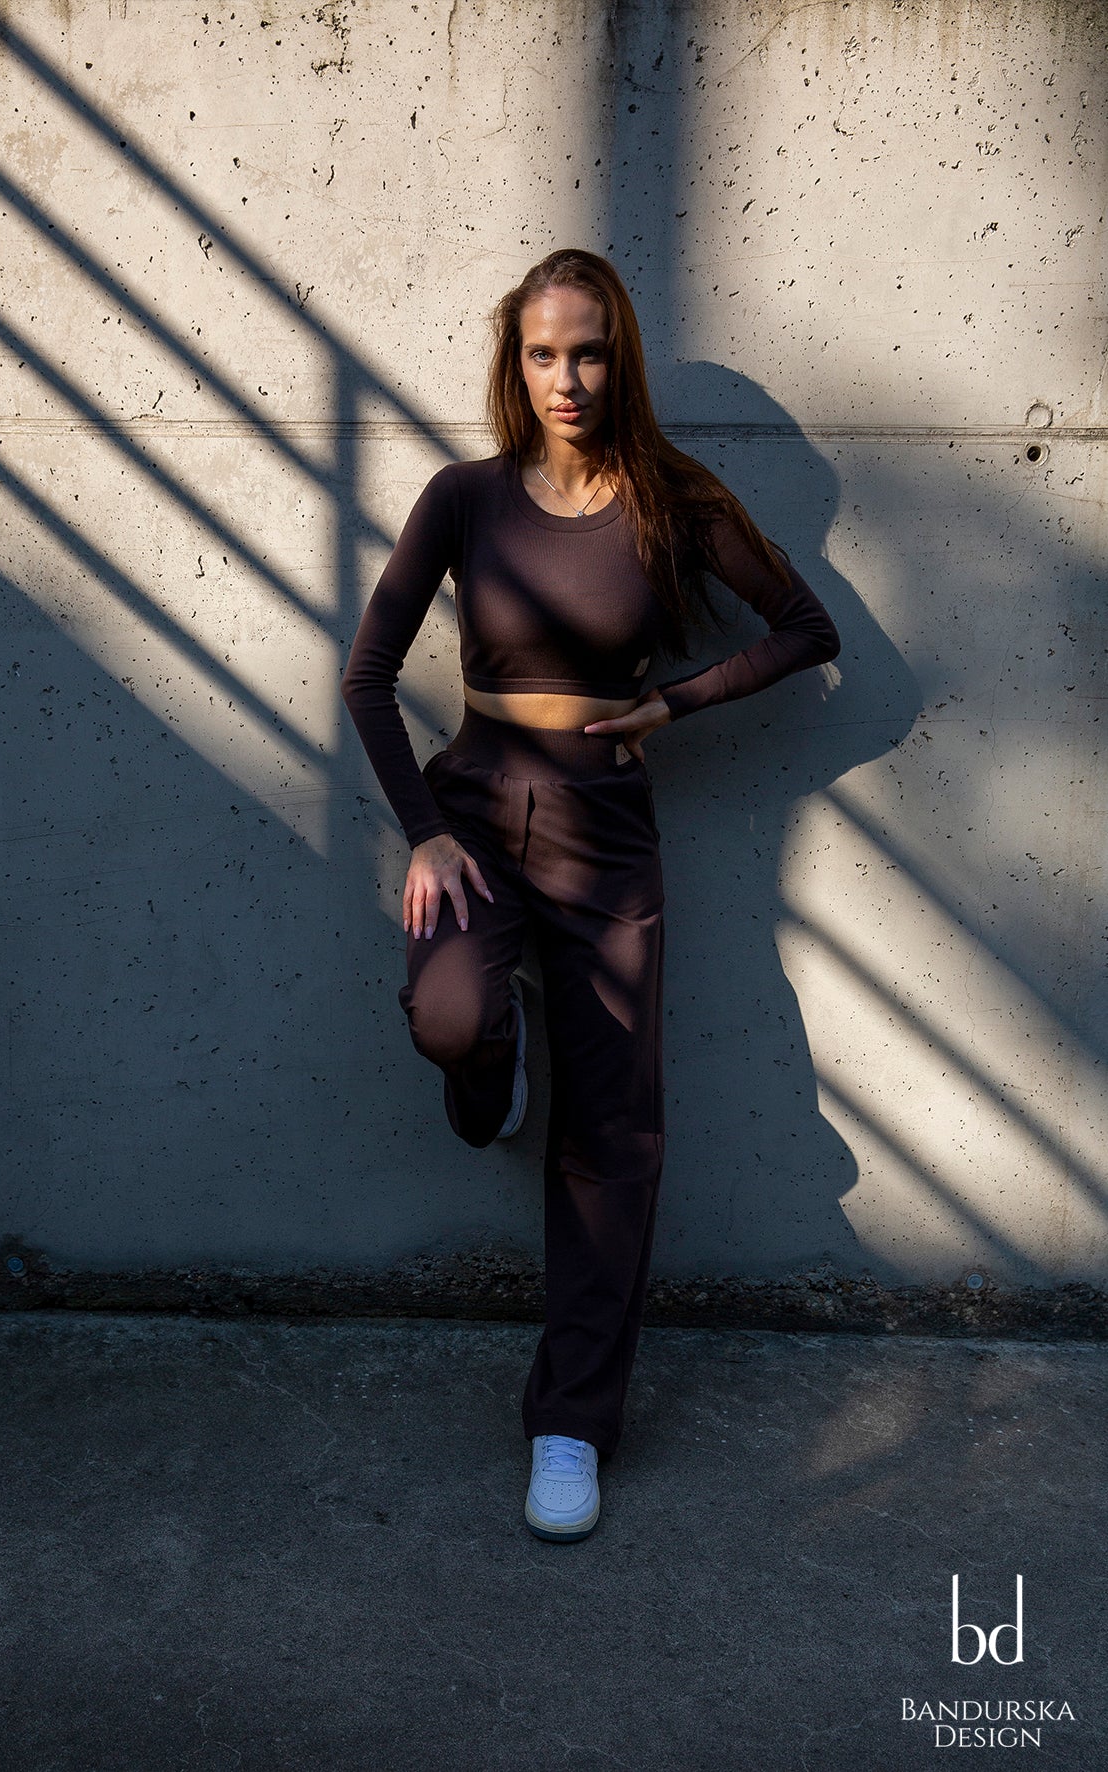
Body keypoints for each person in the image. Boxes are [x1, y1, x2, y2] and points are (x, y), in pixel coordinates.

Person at [340, 248, 840, 1542]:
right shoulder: (463, 498)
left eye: (589, 351)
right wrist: (422, 835)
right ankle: (487, 1070)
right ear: (514, 364)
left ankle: (569, 1423)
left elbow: (807, 630)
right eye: (541, 353)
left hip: (604, 830)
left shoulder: (674, 499)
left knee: (613, 1130)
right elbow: (366, 677)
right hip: (471, 808)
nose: (565, 378)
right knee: (449, 1014)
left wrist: (676, 703)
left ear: (619, 358)